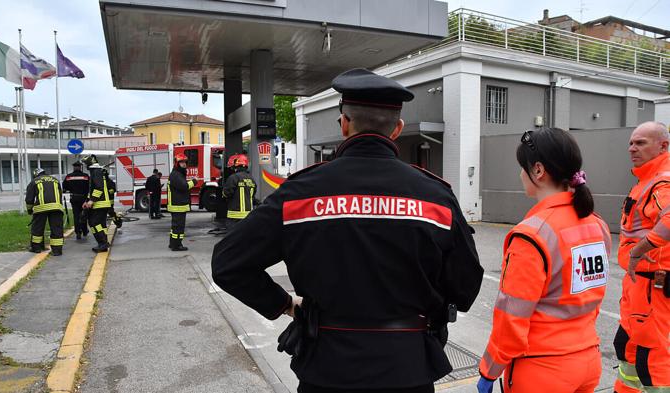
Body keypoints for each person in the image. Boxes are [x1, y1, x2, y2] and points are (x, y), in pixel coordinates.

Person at [212, 68, 484, 393]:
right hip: (408, 368)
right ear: (397, 129)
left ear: (344, 124)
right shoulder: (435, 196)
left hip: (327, 368)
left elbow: (228, 263)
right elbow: (466, 286)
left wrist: (285, 304)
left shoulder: (299, 194)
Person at [477, 128, 611, 393]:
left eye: (522, 167)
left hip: (541, 369)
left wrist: (489, 371)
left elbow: (511, 318)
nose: (519, 174)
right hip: (588, 360)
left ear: (538, 170)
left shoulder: (532, 235)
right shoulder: (598, 226)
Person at [614, 121, 670, 393]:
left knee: (653, 364)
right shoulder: (647, 180)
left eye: (640, 143)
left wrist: (638, 251)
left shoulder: (663, 181)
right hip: (639, 289)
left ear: (663, 146)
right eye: (631, 143)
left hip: (653, 290)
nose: (631, 148)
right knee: (628, 350)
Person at [25, 168, 64, 256]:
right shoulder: (55, 180)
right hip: (56, 207)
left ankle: (36, 248)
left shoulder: (34, 181)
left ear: (35, 174)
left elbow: (29, 199)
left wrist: (30, 210)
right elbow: (60, 194)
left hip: (41, 208)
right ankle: (57, 251)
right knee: (56, 229)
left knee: (37, 229)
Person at [82, 155, 111, 253]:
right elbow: (92, 189)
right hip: (101, 203)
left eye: (85, 163)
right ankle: (103, 243)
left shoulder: (96, 172)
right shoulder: (97, 171)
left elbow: (99, 188)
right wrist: (87, 201)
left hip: (100, 203)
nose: (85, 166)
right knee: (101, 224)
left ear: (89, 164)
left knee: (94, 223)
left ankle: (102, 243)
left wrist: (92, 200)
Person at [167, 153, 196, 252]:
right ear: (176, 163)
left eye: (185, 162)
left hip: (177, 205)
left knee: (175, 227)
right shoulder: (176, 175)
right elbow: (184, 186)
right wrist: (194, 182)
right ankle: (177, 245)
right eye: (181, 162)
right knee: (178, 227)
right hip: (178, 206)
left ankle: (172, 243)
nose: (184, 164)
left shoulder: (177, 174)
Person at [223, 154, 256, 229]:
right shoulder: (252, 179)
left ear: (236, 166)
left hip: (234, 218)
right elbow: (252, 196)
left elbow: (226, 194)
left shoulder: (233, 178)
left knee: (233, 239)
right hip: (248, 217)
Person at [63, 161, 90, 239]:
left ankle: (78, 232)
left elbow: (65, 187)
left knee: (76, 215)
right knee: (84, 214)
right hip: (84, 198)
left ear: (74, 167)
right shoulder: (86, 176)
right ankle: (85, 231)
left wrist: (71, 189)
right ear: (80, 167)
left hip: (74, 198)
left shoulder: (69, 176)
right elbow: (89, 187)